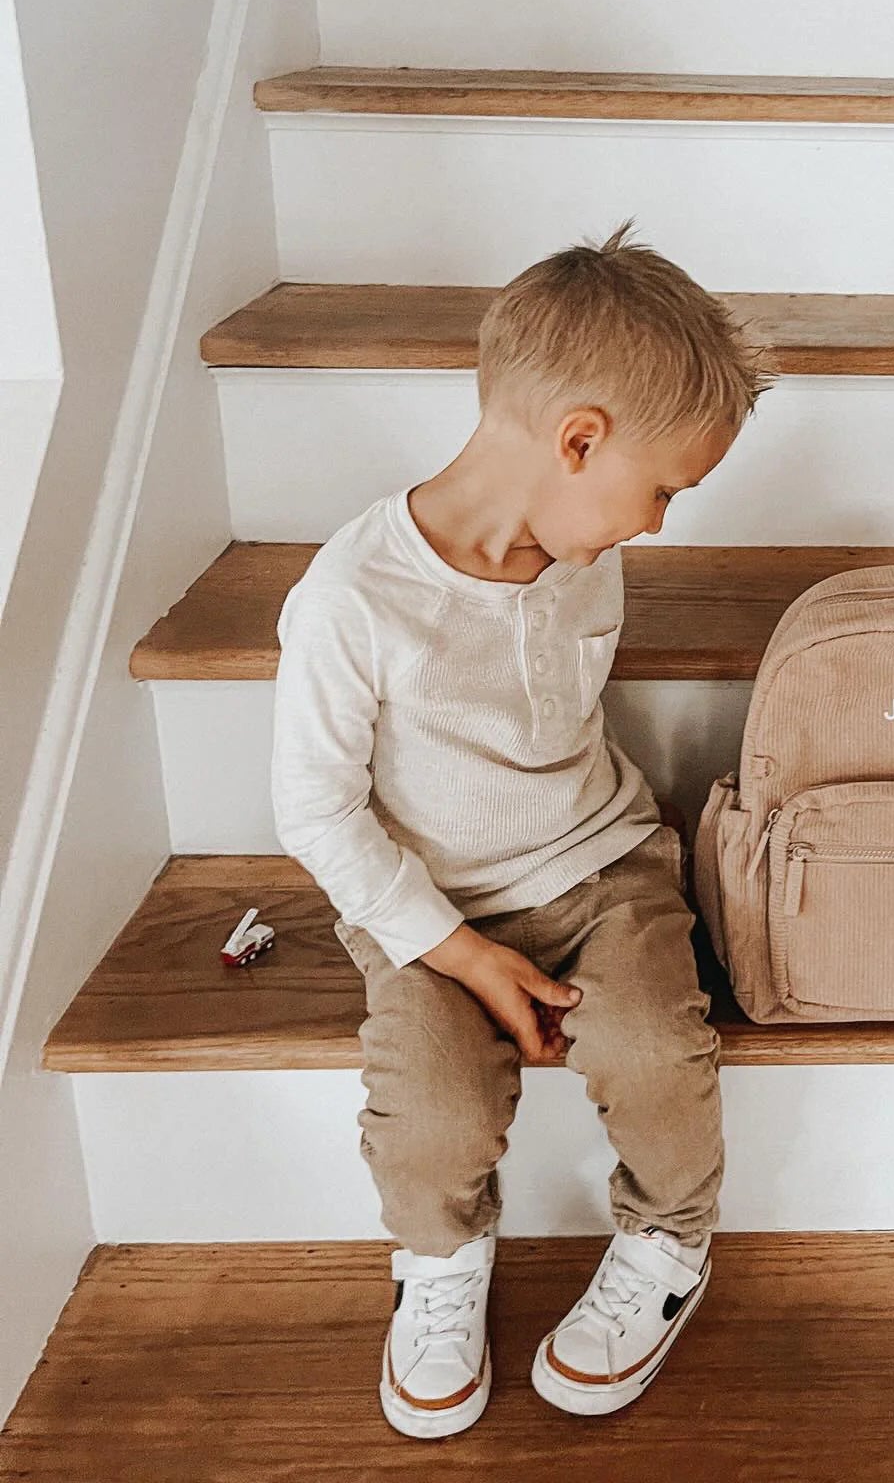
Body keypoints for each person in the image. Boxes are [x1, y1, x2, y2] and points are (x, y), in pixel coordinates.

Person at [271, 218, 775, 1437]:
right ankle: (439, 1266)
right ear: (579, 439)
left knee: (657, 1051)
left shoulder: (578, 547)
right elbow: (315, 808)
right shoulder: (351, 599)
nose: (656, 522)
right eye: (661, 489)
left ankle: (669, 1246)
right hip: (429, 906)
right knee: (431, 1110)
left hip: (600, 865)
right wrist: (455, 952)